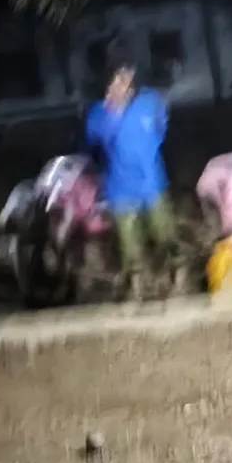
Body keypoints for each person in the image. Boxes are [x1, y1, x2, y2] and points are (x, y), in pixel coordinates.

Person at [85, 59, 176, 296]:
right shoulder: (99, 113)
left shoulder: (150, 102)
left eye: (127, 78)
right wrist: (113, 113)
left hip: (153, 183)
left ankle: (170, 281)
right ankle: (139, 289)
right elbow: (96, 141)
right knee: (131, 248)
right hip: (121, 189)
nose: (124, 84)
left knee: (166, 237)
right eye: (118, 79)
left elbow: (161, 127)